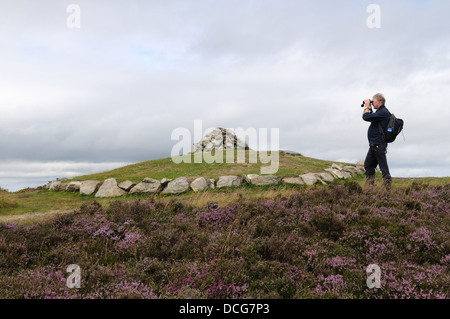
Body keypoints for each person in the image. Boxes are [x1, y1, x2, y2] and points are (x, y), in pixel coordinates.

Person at [362, 93, 392, 189]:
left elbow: (366, 117)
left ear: (378, 102)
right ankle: (370, 187)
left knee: (383, 168)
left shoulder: (383, 112)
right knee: (368, 165)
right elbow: (370, 116)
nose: (372, 103)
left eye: (373, 102)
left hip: (379, 145)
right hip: (374, 145)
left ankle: (387, 188)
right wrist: (369, 108)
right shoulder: (380, 112)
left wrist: (367, 106)